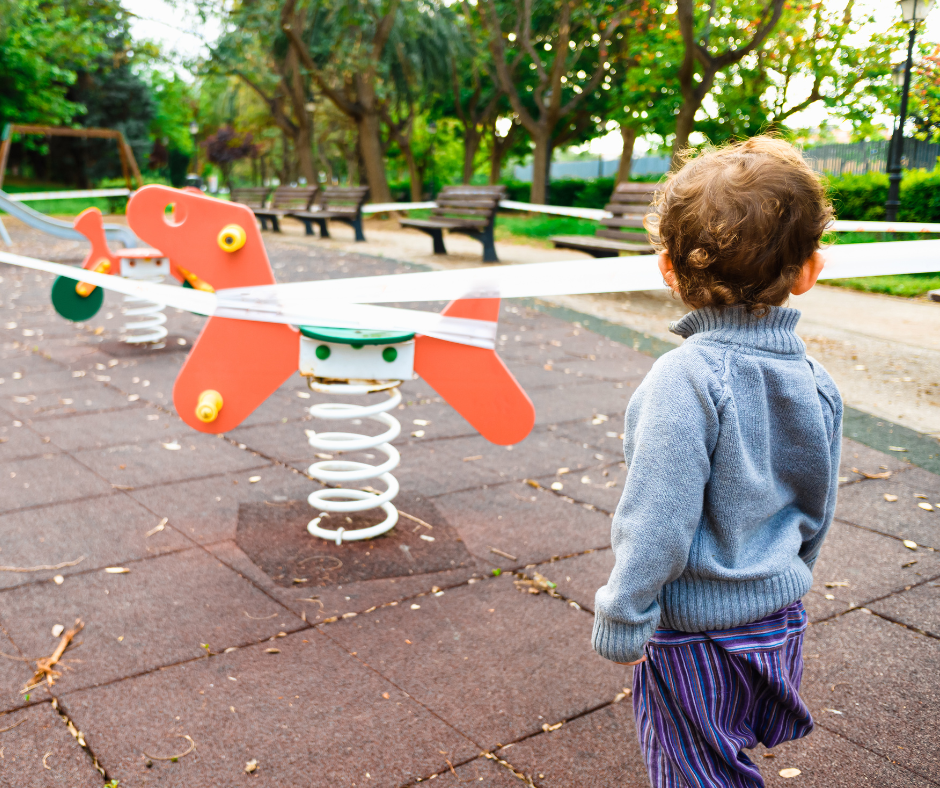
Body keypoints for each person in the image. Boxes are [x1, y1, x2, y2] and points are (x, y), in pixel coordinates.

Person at [592, 136, 842, 787]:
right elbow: (820, 504)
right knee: (729, 754)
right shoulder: (816, 380)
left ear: (668, 269)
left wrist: (624, 616)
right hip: (779, 621)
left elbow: (657, 517)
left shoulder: (686, 378)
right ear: (809, 270)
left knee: (696, 772)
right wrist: (789, 573)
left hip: (697, 634)